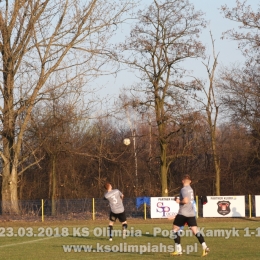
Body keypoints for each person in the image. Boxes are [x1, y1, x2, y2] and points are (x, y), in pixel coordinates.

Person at [170, 174, 210, 257]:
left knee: (174, 230)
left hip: (183, 213)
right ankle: (204, 246)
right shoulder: (191, 189)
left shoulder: (183, 189)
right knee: (196, 231)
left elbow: (185, 201)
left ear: (182, 181)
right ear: (190, 181)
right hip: (191, 214)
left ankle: (179, 250)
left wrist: (178, 201)